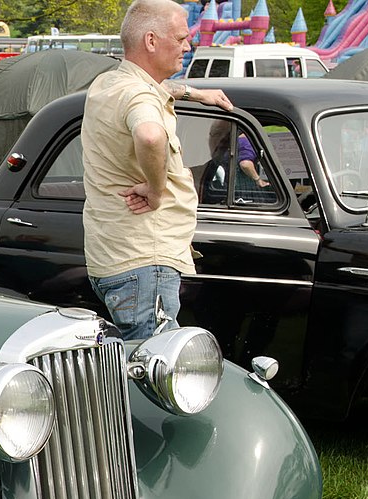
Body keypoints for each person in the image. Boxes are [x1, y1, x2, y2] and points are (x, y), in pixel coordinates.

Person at [80, 0, 233, 340]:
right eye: (180, 38)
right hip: (145, 260)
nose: (187, 46)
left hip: (115, 254)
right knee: (156, 373)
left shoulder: (109, 84)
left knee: (130, 368)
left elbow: (155, 90)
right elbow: (150, 136)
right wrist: (156, 190)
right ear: (151, 41)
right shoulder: (139, 97)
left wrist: (195, 93)